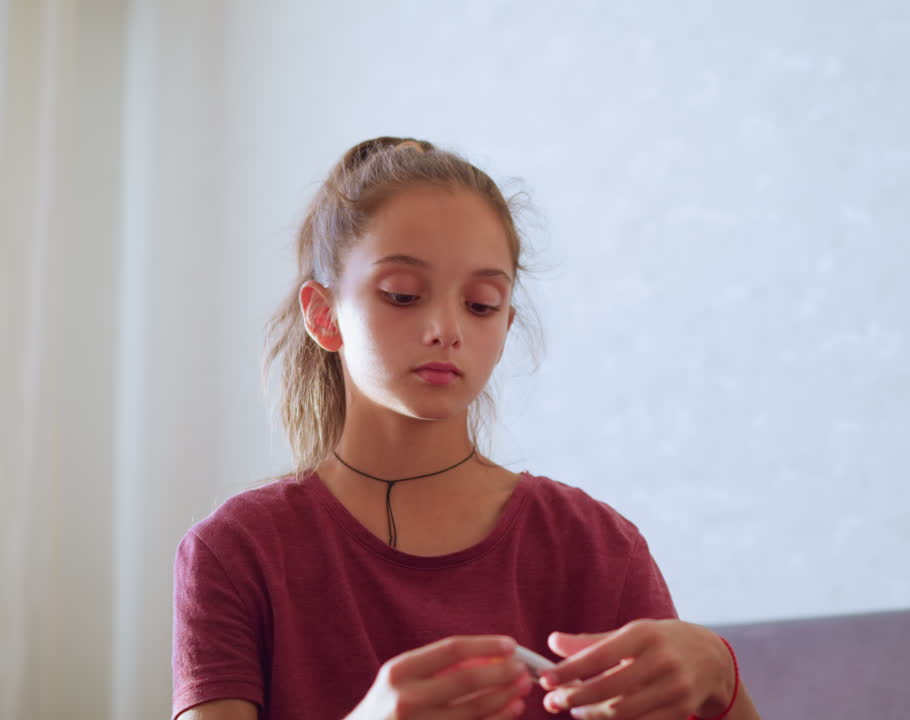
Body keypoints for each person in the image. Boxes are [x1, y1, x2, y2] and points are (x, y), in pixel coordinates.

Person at [171, 137, 760, 720]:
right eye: (402, 295)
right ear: (324, 316)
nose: (446, 328)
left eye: (481, 304)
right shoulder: (236, 553)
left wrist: (720, 676)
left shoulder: (595, 547)